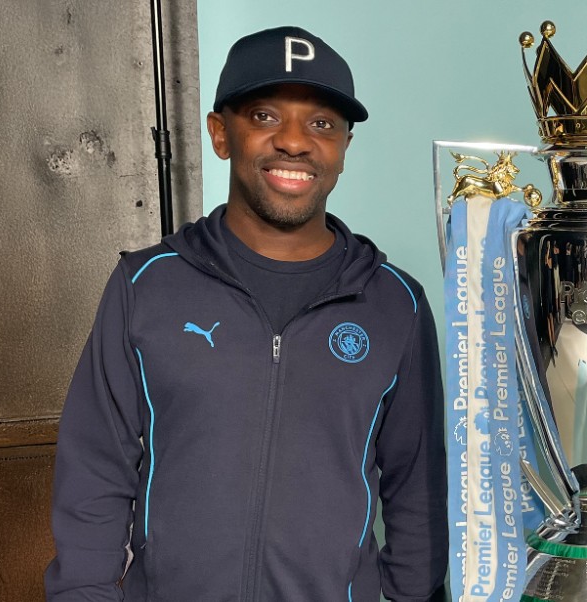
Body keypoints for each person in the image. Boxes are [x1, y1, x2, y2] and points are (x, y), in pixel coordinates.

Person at [45, 26, 447, 601]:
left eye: (321, 123)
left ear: (343, 148)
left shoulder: (394, 304)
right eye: (263, 116)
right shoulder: (146, 286)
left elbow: (417, 491)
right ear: (220, 134)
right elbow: (94, 472)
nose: (294, 141)